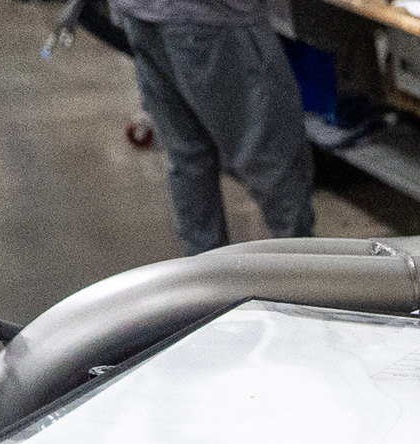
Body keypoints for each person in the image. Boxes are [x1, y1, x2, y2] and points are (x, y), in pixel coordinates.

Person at [111, 0, 316, 256]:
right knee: (274, 160)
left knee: (188, 157)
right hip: (211, 19)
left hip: (143, 15)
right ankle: (301, 279)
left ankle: (207, 283)